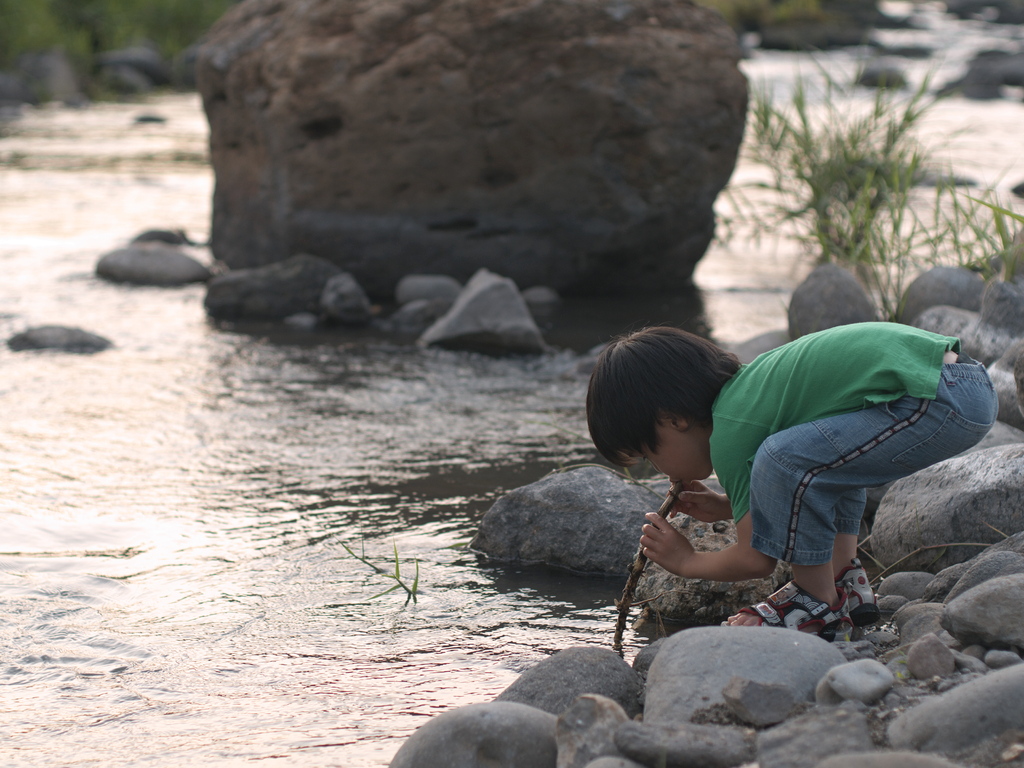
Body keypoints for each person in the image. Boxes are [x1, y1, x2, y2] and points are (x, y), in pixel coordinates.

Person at [586, 321, 998, 640]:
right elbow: (805, 486)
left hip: (937, 397)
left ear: (672, 420)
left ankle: (814, 601)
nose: (661, 472)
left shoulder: (729, 431)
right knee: (821, 466)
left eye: (649, 455)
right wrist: (731, 506)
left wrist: (685, 561)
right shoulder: (751, 396)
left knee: (785, 459)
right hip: (959, 382)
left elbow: (755, 560)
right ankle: (843, 582)